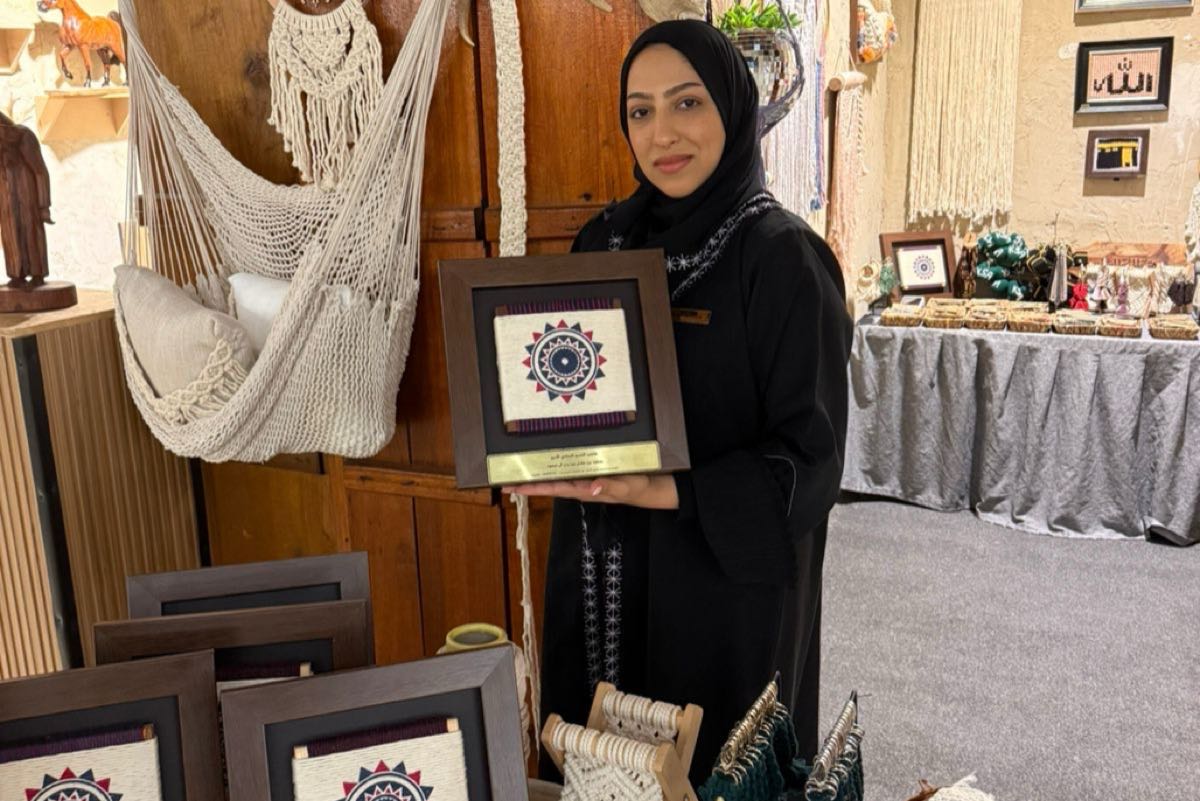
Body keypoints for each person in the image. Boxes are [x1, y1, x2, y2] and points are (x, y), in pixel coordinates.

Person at [506, 19, 852, 784]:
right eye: (641, 110)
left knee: (711, 772)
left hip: (721, 602)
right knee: (592, 766)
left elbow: (810, 464)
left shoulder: (784, 260)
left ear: (732, 106)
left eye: (687, 102)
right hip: (599, 574)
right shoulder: (602, 244)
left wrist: (662, 488)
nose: (662, 133)